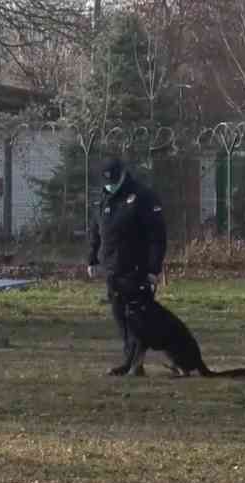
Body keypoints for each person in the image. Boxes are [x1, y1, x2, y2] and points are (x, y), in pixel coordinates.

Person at [87, 158, 167, 376]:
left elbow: (157, 237)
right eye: (107, 182)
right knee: (121, 318)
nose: (110, 185)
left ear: (123, 175)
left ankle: (136, 362)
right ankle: (129, 361)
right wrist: (92, 259)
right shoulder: (103, 198)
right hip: (113, 268)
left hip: (137, 269)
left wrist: (153, 269)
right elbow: (96, 231)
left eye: (114, 181)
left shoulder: (143, 197)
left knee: (138, 320)